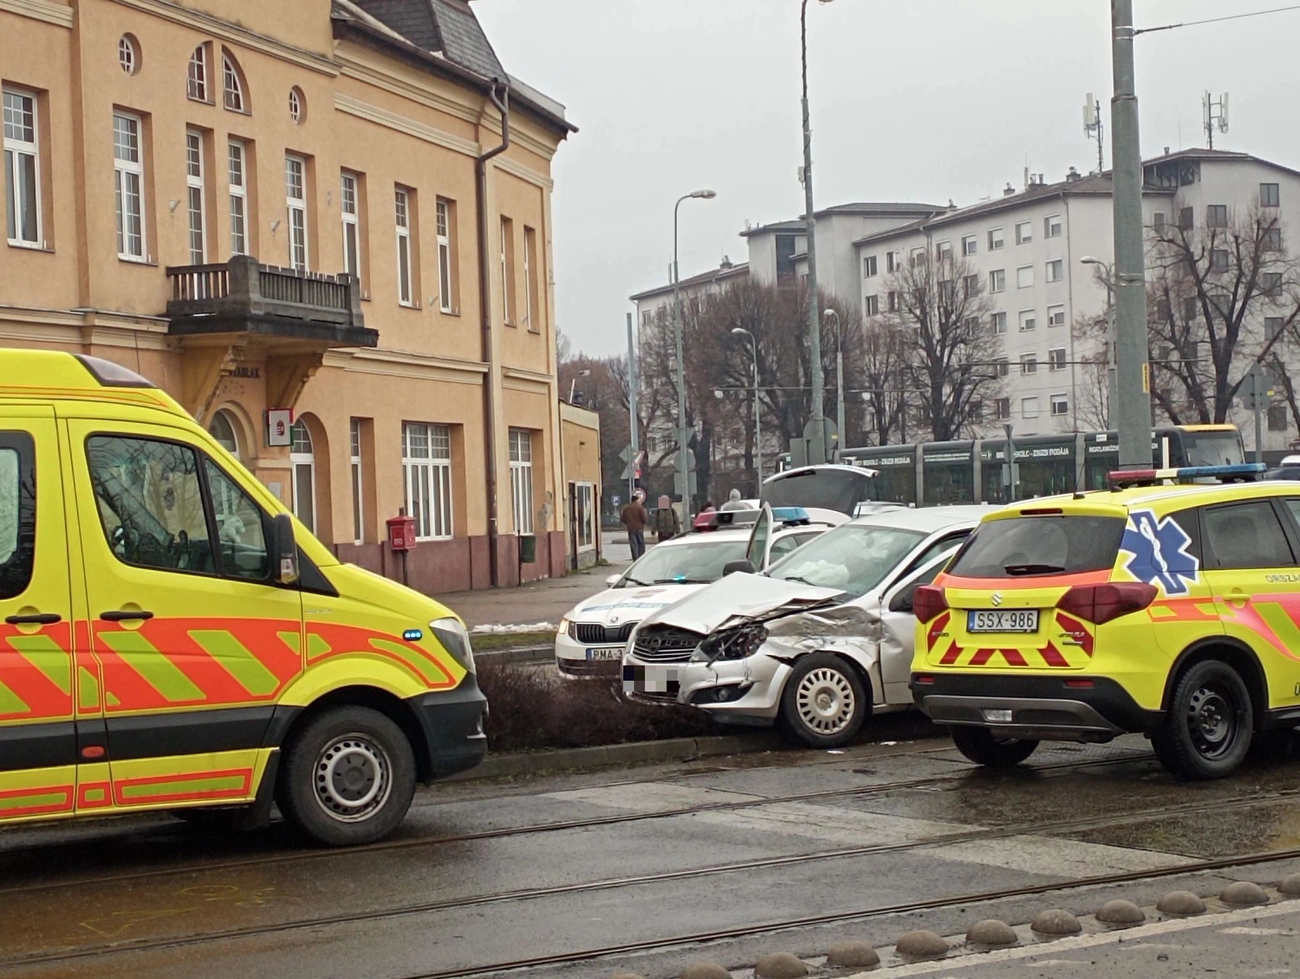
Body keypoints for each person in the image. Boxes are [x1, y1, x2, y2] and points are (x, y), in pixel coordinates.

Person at [620, 490, 648, 560]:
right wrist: (642, 523)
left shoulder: (626, 508)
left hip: (631, 528)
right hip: (639, 528)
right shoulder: (640, 507)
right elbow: (644, 518)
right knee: (641, 543)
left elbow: (623, 518)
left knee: (633, 544)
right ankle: (641, 557)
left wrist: (628, 523)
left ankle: (635, 558)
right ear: (637, 500)